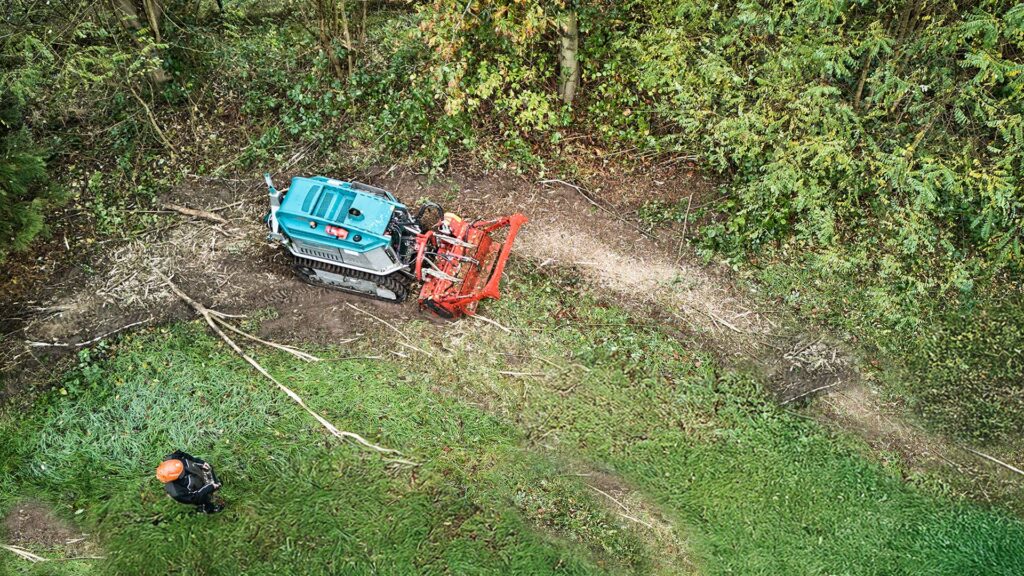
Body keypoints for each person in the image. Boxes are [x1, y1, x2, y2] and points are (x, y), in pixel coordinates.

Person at [155, 450, 223, 514]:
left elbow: (184, 455)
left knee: (209, 470)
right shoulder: (177, 492)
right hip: (196, 490)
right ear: (174, 478)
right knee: (204, 500)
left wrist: (200, 462)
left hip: (196, 472)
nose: (183, 470)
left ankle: (214, 482)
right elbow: (195, 497)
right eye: (181, 472)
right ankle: (208, 509)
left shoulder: (173, 458)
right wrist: (210, 487)